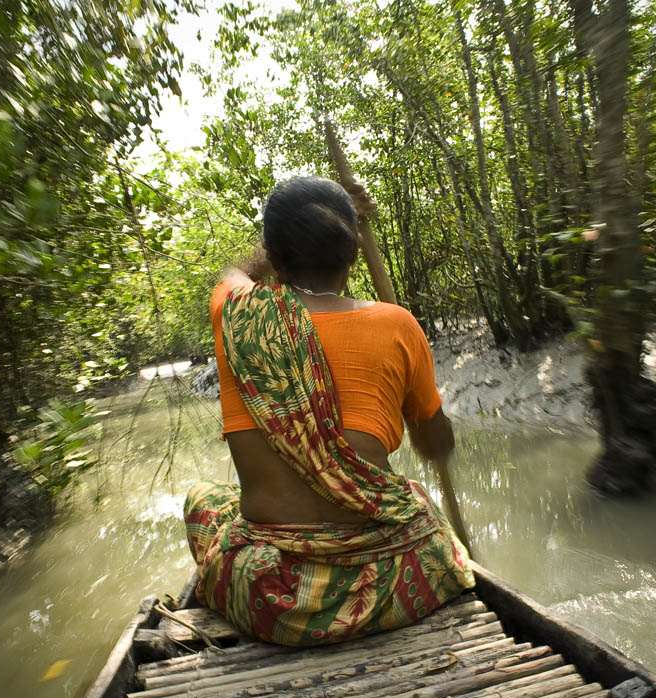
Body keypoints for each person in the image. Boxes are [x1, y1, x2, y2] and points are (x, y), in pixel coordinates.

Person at [182, 175, 474, 647]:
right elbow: (433, 445)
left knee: (203, 496)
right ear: (354, 251)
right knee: (415, 498)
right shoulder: (398, 324)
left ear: (273, 258)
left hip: (270, 599)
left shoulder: (236, 313)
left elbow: (233, 277)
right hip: (388, 583)